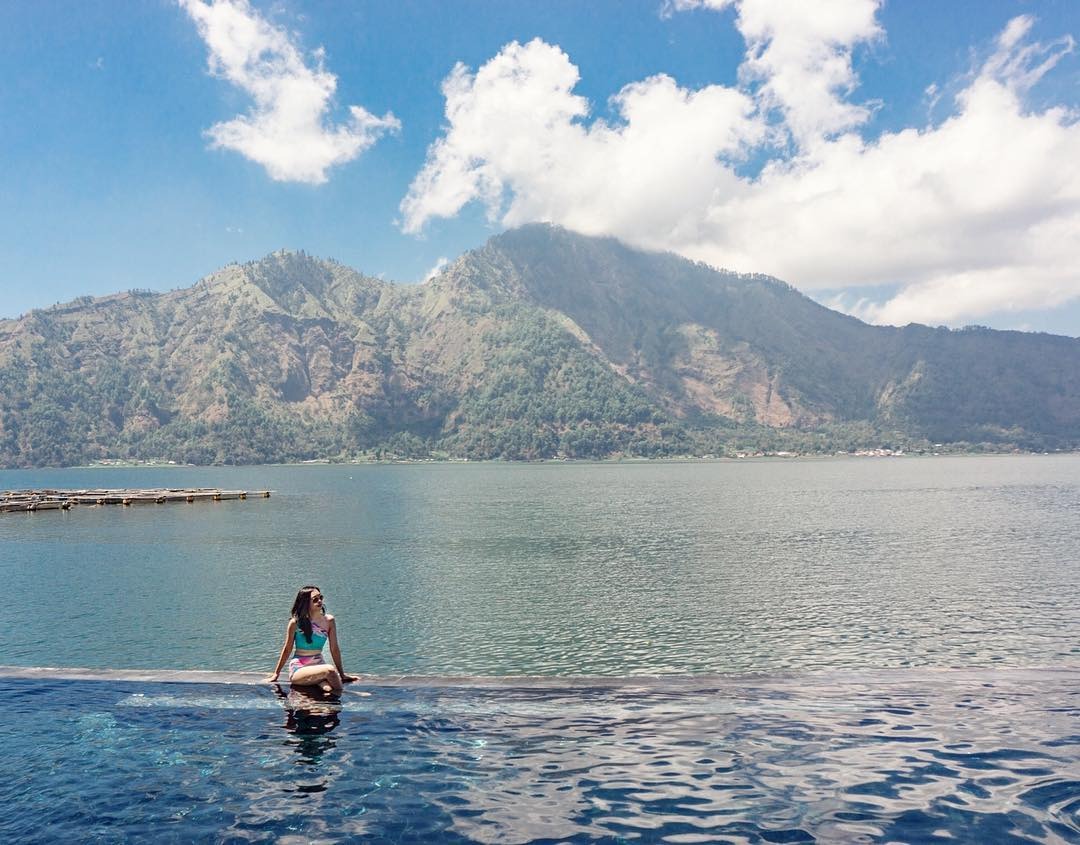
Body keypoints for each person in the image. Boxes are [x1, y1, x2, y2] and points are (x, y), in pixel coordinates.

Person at [266, 585, 359, 693]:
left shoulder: (329, 621)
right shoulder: (295, 623)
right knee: (330, 670)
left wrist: (342, 674)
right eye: (315, 599)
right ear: (306, 603)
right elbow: (287, 649)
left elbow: (334, 649)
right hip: (300, 669)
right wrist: (276, 674)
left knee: (328, 689)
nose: (319, 601)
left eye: (321, 598)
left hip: (319, 665)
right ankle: (351, 696)